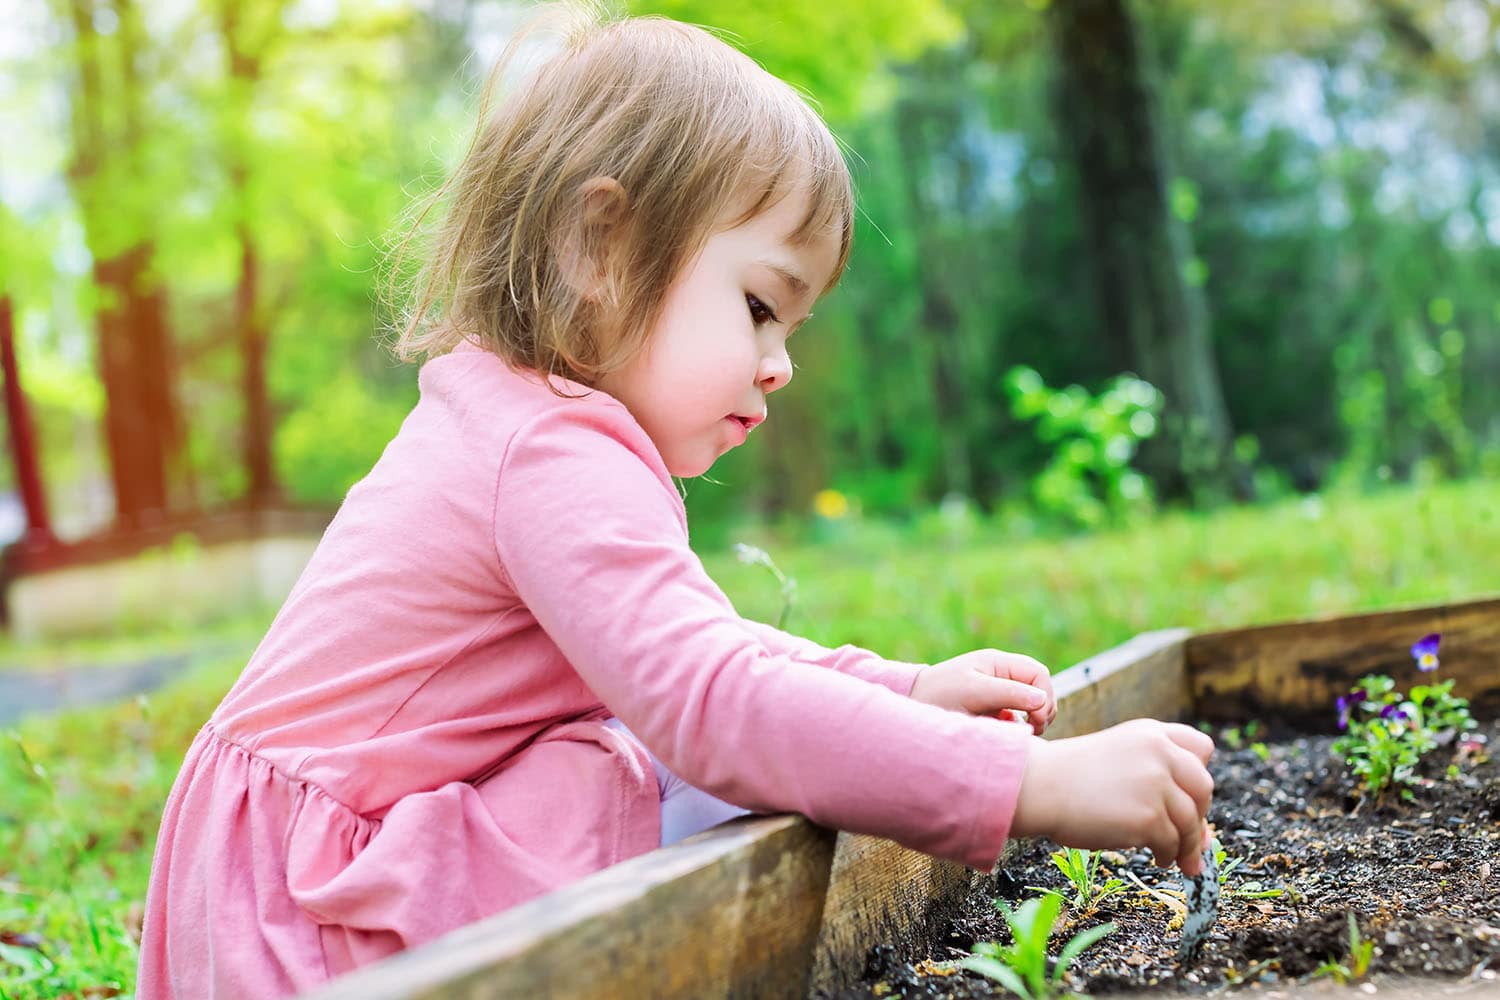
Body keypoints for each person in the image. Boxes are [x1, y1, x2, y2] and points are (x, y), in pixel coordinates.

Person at [135, 9, 1214, 998]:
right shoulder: (548, 447)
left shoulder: (517, 416)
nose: (779, 364)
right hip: (311, 918)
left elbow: (700, 650)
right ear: (595, 246)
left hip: (280, 879)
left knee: (645, 740)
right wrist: (1031, 781)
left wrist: (901, 690)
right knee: (648, 755)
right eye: (758, 306)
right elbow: (714, 703)